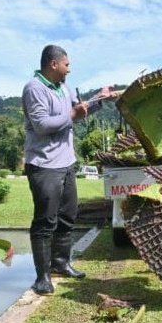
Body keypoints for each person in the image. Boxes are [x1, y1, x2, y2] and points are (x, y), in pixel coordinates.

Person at [22, 44, 117, 296]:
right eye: (66, 64)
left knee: (67, 215)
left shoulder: (62, 87)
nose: (69, 69)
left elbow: (79, 110)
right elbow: (42, 124)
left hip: (65, 164)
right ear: (54, 64)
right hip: (43, 165)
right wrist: (73, 113)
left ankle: (61, 263)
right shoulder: (35, 88)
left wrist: (99, 98)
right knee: (45, 221)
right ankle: (42, 277)